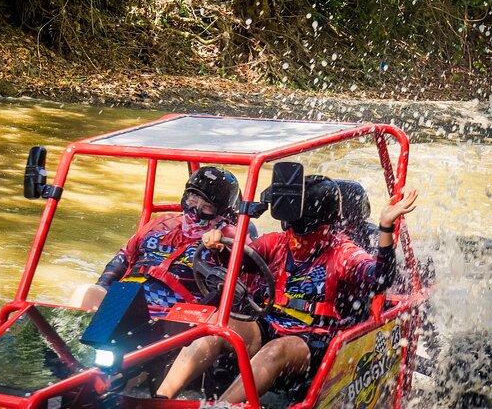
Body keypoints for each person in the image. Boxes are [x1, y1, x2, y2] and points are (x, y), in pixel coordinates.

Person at [155, 175, 418, 402]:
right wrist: (219, 247)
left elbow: (380, 279)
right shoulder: (277, 243)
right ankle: (161, 398)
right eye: (290, 226)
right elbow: (239, 261)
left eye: (302, 230)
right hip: (271, 324)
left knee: (275, 351)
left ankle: (222, 406)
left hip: (315, 338)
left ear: (324, 226)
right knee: (217, 328)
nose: (295, 236)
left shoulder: (342, 252)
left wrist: (386, 229)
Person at [68, 166, 243, 313]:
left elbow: (246, 280)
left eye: (206, 206)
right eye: (193, 198)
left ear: (220, 211)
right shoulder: (162, 223)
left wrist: (222, 250)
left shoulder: (231, 235)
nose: (195, 210)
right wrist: (103, 285)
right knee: (86, 292)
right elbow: (124, 257)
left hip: (180, 310)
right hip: (129, 295)